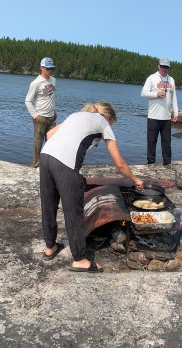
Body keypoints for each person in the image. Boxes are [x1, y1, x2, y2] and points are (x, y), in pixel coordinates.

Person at [39, 102, 144, 273]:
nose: (110, 126)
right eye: (112, 123)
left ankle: (50, 247)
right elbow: (119, 163)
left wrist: (60, 151)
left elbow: (49, 134)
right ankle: (79, 260)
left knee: (48, 205)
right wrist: (135, 179)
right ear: (108, 118)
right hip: (64, 164)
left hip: (45, 156)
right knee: (73, 212)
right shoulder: (103, 123)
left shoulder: (76, 115)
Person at [141, 57, 179, 165]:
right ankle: (150, 163)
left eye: (166, 67)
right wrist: (156, 94)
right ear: (158, 66)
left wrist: (176, 113)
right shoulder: (152, 78)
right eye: (162, 66)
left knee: (167, 142)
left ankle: (167, 163)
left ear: (169, 68)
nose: (164, 69)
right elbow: (143, 93)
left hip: (166, 117)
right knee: (151, 141)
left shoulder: (171, 80)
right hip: (153, 116)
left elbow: (174, 98)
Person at [25, 57, 58, 168]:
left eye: (52, 68)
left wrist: (54, 110)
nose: (50, 71)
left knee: (52, 141)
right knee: (38, 142)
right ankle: (37, 164)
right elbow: (28, 101)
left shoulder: (53, 80)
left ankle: (50, 164)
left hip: (52, 117)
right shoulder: (36, 83)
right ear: (42, 68)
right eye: (48, 68)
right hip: (40, 117)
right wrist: (35, 115)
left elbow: (51, 97)